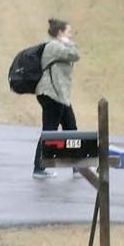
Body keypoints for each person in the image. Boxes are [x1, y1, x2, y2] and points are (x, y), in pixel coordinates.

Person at [32, 18, 81, 179]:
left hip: (61, 95)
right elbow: (74, 55)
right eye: (69, 32)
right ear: (60, 33)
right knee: (50, 130)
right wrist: (69, 43)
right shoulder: (54, 46)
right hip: (51, 94)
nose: (72, 35)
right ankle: (39, 168)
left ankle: (78, 167)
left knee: (71, 128)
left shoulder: (58, 46)